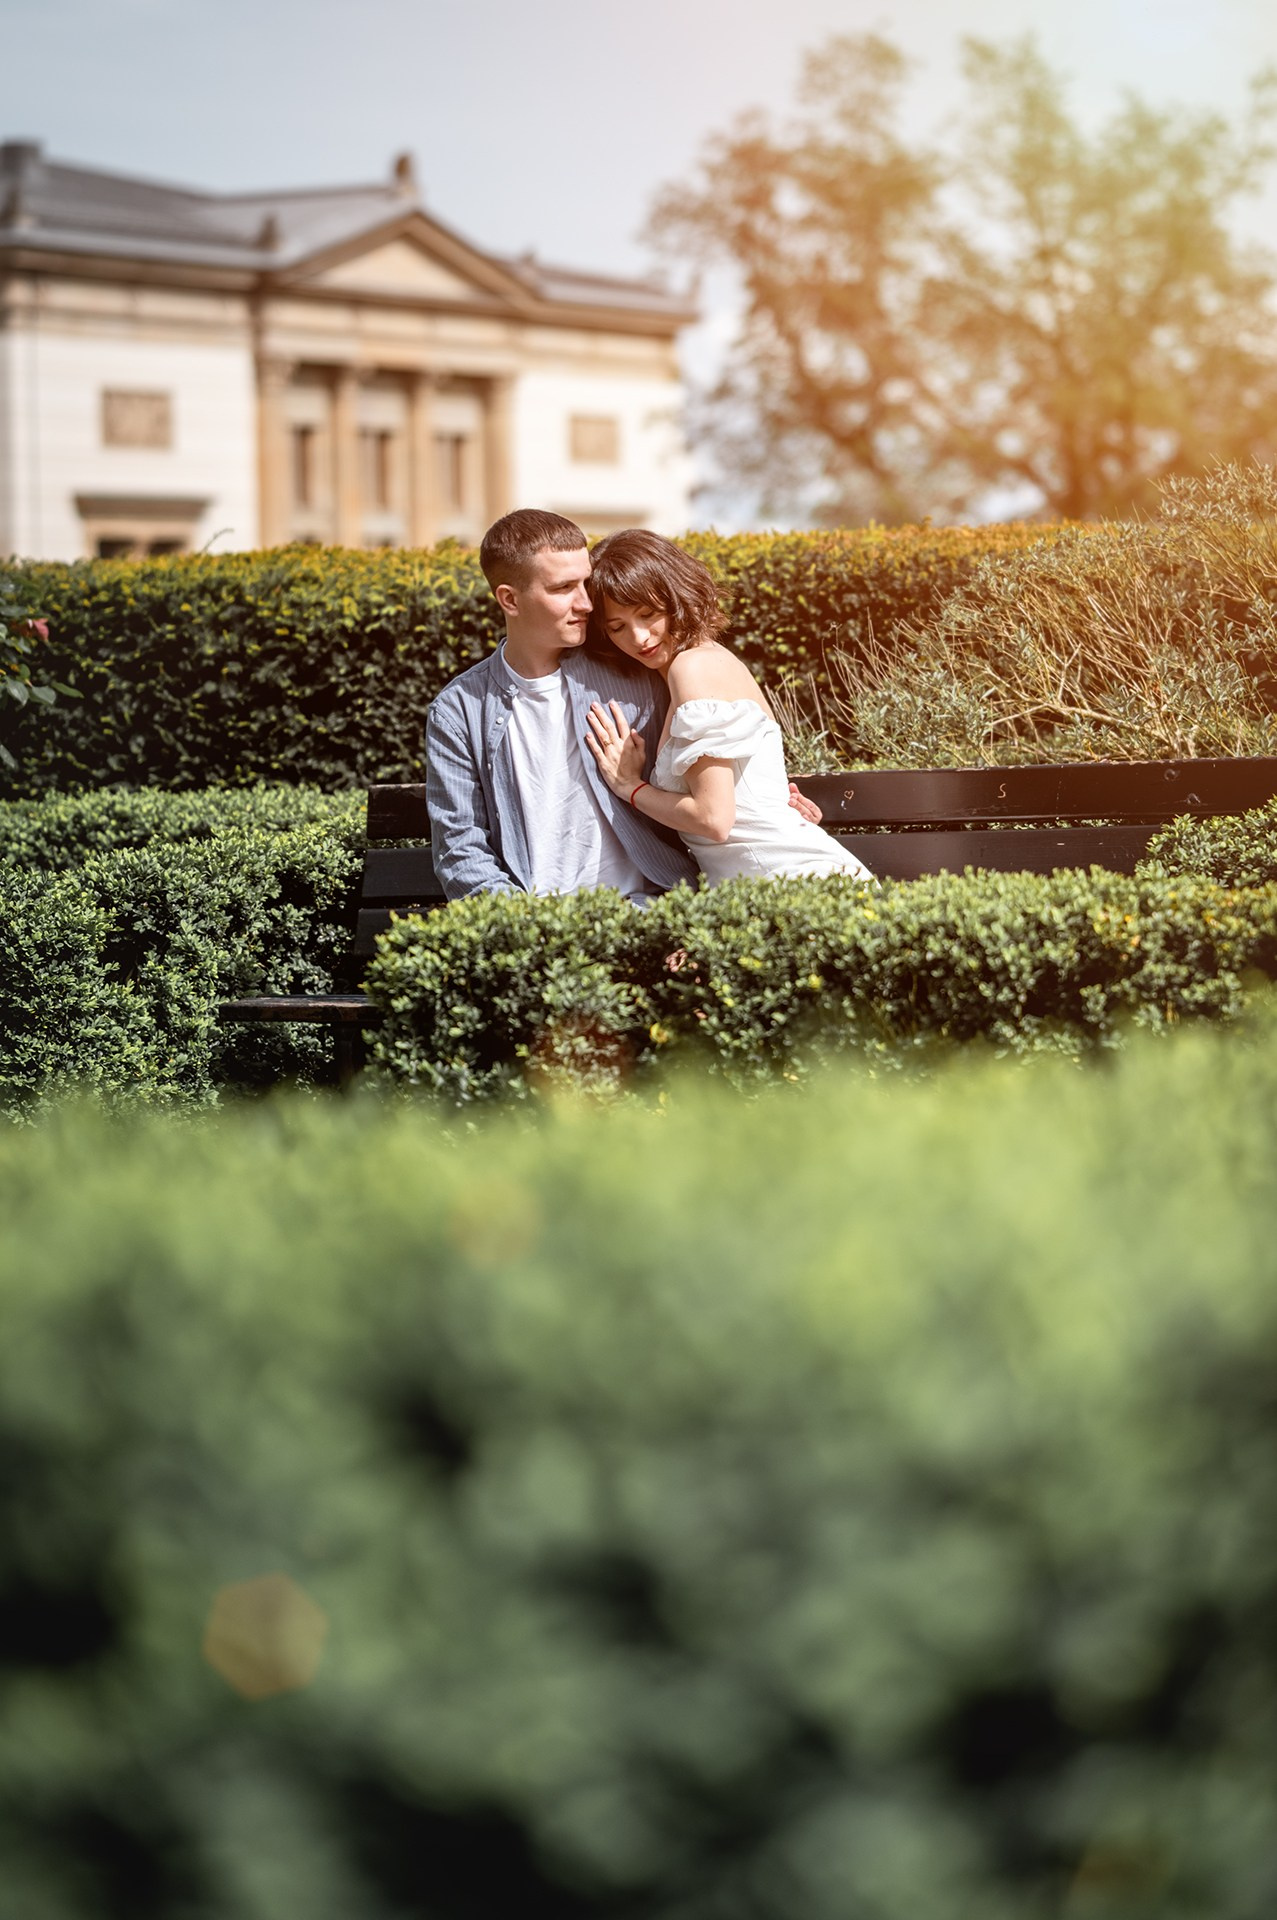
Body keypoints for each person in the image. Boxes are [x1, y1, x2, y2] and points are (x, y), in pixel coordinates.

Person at [425, 509, 820, 901]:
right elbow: (460, 850)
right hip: (534, 924)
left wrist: (771, 804)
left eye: (586, 584)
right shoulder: (459, 711)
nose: (587, 603)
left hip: (649, 912)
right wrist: (524, 927)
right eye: (564, 588)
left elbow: (711, 782)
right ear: (510, 600)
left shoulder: (642, 675)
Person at [583, 528, 876, 886]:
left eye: (648, 614)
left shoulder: (691, 668)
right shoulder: (712, 662)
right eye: (617, 627)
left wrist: (628, 786)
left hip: (795, 886)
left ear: (677, 597)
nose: (639, 637)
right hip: (778, 885)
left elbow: (713, 819)